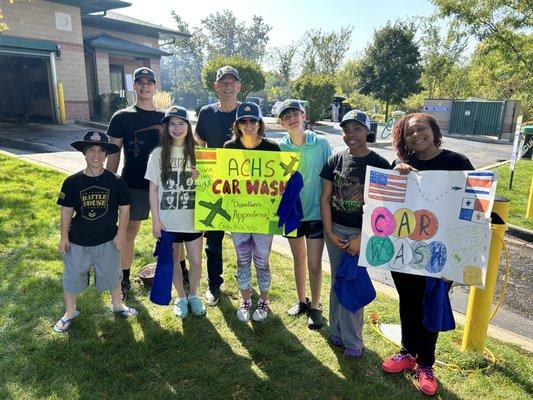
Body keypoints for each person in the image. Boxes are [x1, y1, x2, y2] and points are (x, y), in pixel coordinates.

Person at [382, 112, 474, 396]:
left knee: (430, 305)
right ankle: (408, 353)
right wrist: (398, 177)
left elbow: (475, 204)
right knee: (408, 302)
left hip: (441, 255)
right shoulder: (400, 165)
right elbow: (386, 203)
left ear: (434, 131)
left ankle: (427, 364)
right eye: (409, 132)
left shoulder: (457, 163)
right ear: (403, 138)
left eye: (421, 129)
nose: (416, 135)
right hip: (406, 252)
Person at [320, 110, 390, 357]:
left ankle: (353, 341)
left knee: (351, 282)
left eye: (357, 129)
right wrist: (328, 231)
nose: (351, 134)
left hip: (363, 234)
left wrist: (363, 237)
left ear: (367, 132)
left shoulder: (380, 164)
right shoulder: (335, 160)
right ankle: (336, 331)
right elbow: (325, 198)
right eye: (347, 130)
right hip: (336, 231)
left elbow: (383, 206)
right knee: (336, 282)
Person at [54, 131, 137, 333]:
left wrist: (120, 235)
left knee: (112, 275)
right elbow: (66, 210)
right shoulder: (72, 182)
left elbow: (125, 209)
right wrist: (64, 237)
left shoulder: (115, 181)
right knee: (72, 278)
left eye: (101, 150)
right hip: (78, 241)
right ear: (84, 153)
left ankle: (117, 305)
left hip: (108, 239)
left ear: (107, 154)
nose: (96, 155)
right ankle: (69, 312)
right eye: (91, 150)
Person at [145, 106, 205, 318]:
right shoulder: (158, 154)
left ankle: (194, 295)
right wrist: (156, 220)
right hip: (169, 220)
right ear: (166, 127)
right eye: (172, 124)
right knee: (175, 260)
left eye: (181, 123)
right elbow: (153, 189)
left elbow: (212, 186)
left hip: (193, 219)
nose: (177, 128)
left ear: (189, 127)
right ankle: (180, 297)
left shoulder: (200, 154)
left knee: (196, 261)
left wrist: (203, 177)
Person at [223, 102, 280, 322]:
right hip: (239, 215)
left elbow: (280, 182)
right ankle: (245, 299)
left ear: (259, 123)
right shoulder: (229, 147)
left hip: (264, 216)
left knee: (263, 260)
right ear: (237, 125)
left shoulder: (272, 148)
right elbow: (221, 180)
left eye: (252, 121)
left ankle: (264, 299)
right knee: (242, 259)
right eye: (243, 121)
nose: (248, 125)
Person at [278, 99, 332, 330]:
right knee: (298, 260)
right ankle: (302, 300)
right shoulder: (279, 147)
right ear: (281, 122)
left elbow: (331, 175)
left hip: (316, 213)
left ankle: (316, 306)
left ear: (303, 114)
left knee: (314, 263)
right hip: (292, 214)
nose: (291, 118)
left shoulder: (321, 143)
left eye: (295, 113)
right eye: (286, 115)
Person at [195, 65, 241, 306]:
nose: (227, 86)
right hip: (214, 186)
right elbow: (199, 144)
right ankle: (214, 284)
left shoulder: (246, 112)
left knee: (247, 241)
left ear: (239, 86)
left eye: (232, 82)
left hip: (244, 188)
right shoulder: (206, 112)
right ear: (216, 86)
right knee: (213, 242)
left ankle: (247, 287)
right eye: (223, 82)